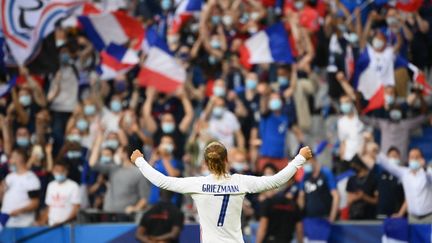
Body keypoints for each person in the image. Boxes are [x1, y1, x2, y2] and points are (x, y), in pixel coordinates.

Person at [131, 142, 312, 243]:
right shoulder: (241, 182)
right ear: (227, 160)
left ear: (207, 163)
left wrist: (140, 161)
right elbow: (277, 181)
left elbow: (162, 181)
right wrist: (300, 158)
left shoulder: (198, 184)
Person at [377, 148, 432, 223]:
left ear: (422, 159)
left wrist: (424, 168)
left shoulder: (427, 173)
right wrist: (377, 150)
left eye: (417, 157)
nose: (414, 160)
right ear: (408, 160)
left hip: (429, 217)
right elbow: (388, 165)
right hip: (412, 218)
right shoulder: (404, 173)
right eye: (412, 157)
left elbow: (430, 177)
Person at [0, 149, 41, 227]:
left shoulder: (31, 178)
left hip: (23, 223)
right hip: (6, 222)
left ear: (19, 158)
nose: (9, 160)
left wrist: (20, 211)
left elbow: (35, 203)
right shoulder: (9, 177)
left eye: (12, 157)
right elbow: (2, 199)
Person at [298, 157, 339, 222]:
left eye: (306, 163)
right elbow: (301, 196)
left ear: (312, 159)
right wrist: (299, 217)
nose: (304, 166)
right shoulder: (305, 176)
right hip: (309, 217)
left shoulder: (326, 173)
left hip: (324, 217)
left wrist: (332, 217)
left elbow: (336, 196)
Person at [42, 162, 81, 226]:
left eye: (62, 170)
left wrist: (63, 223)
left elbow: (76, 208)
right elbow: (49, 206)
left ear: (66, 172)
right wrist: (43, 221)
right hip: (51, 224)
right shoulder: (50, 185)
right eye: (57, 170)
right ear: (53, 171)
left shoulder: (74, 186)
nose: (59, 173)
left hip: (68, 226)